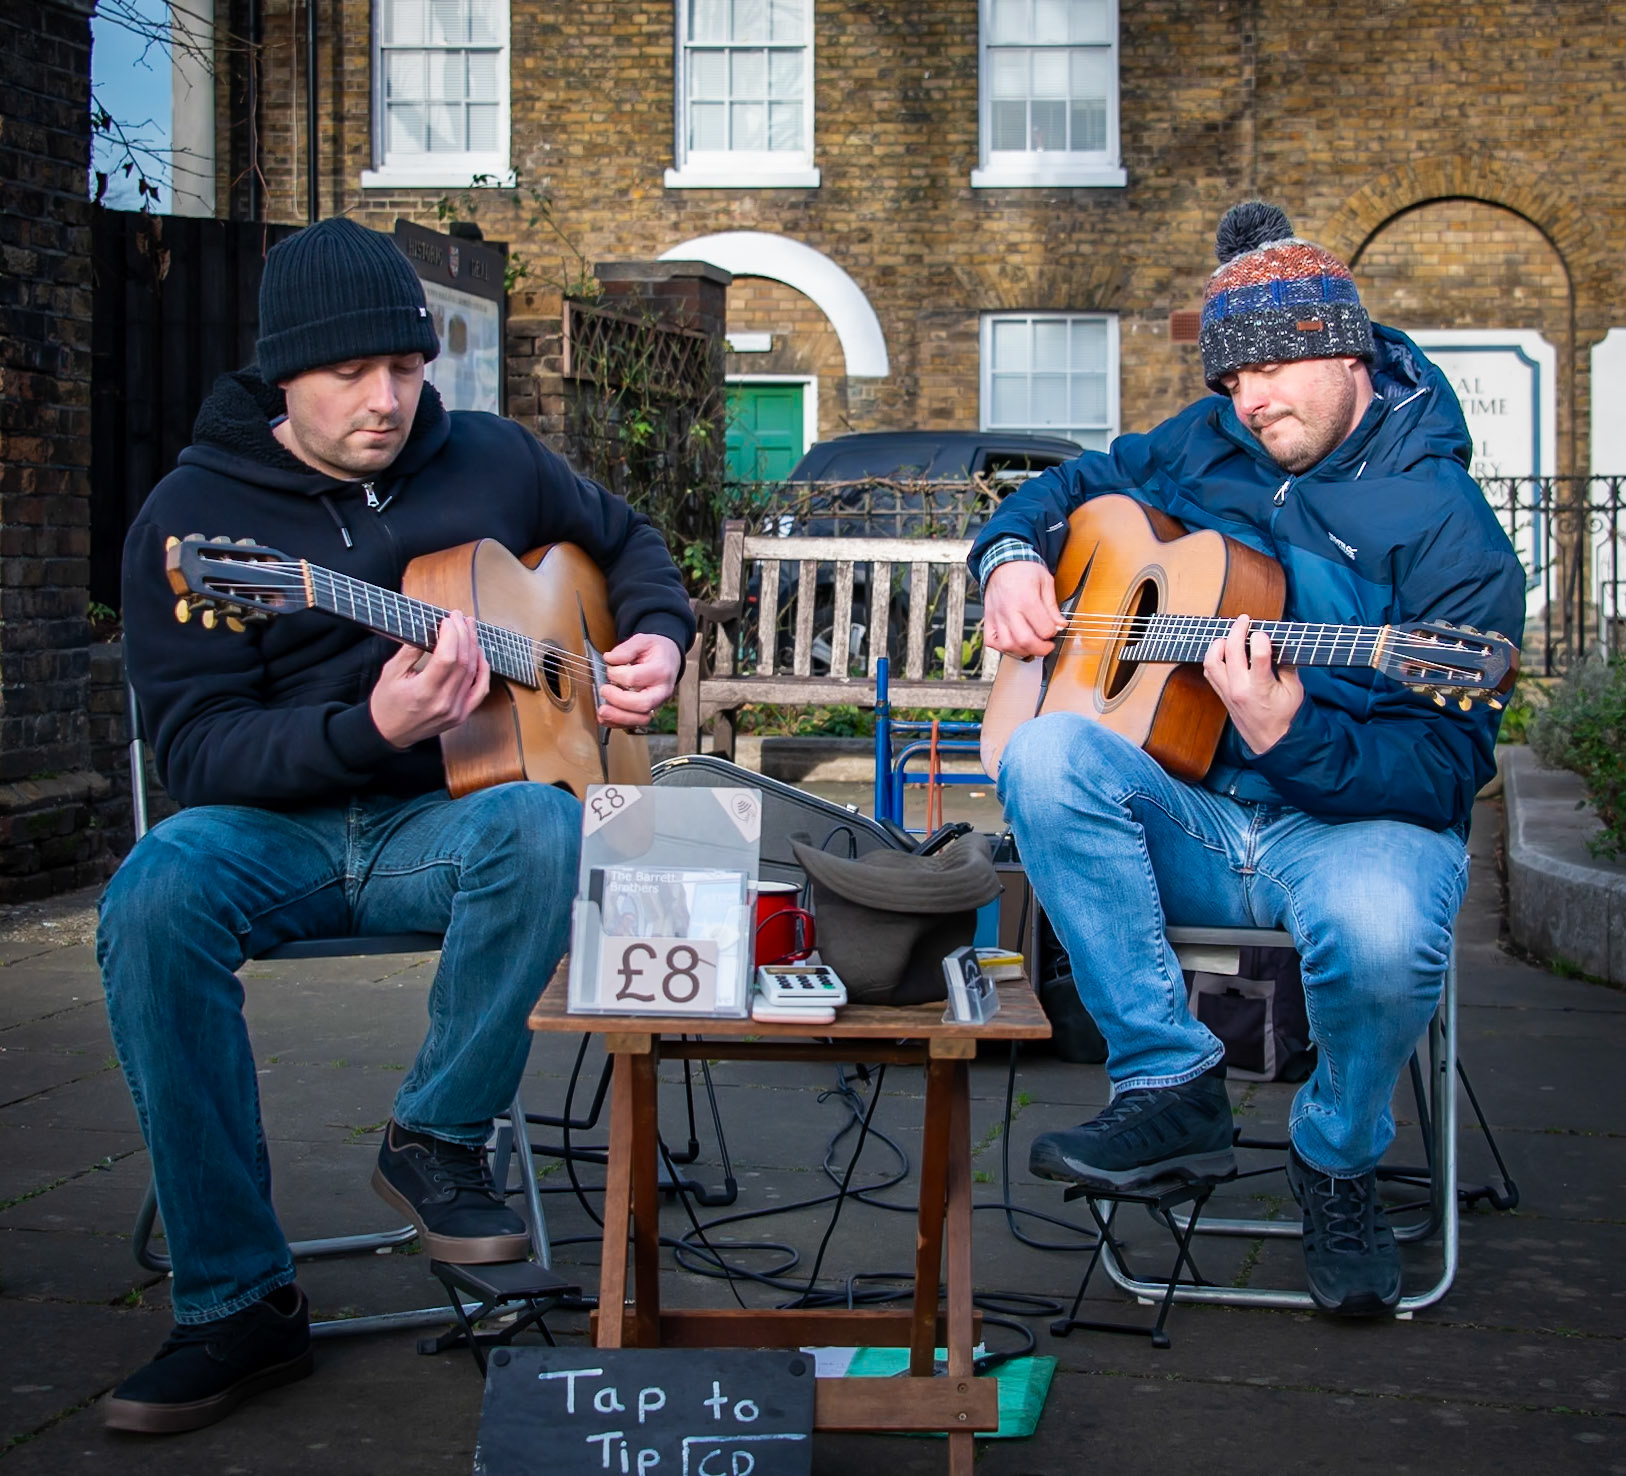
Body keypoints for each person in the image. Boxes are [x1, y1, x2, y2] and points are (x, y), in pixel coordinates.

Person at [97, 218, 697, 1432]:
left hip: (454, 825)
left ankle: (436, 1134)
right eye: (351, 375)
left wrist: (654, 640)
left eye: (407, 370)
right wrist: (370, 727)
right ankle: (236, 1302)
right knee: (154, 893)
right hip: (276, 837)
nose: (385, 400)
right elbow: (199, 751)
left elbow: (627, 541)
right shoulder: (195, 518)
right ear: (283, 375)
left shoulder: (487, 454)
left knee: (542, 824)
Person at [972, 202, 1525, 1317]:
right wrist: (1010, 557)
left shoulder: (1451, 529)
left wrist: (1289, 730)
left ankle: (1335, 1156)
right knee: (1042, 758)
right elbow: (1067, 489)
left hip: (1358, 833)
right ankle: (1170, 1080)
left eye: (1273, 367)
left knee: (1380, 936)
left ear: (1348, 349)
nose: (1250, 399)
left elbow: (1440, 774)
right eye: (1233, 379)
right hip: (1199, 817)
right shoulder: (1203, 441)